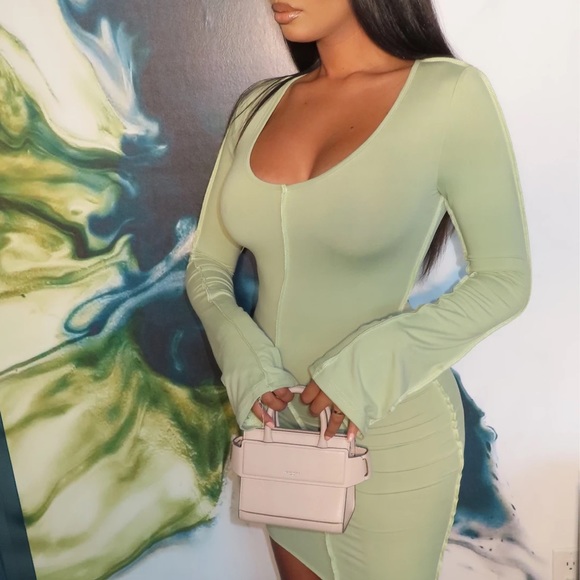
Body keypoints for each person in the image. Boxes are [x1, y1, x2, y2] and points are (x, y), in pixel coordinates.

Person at [186, 0, 531, 578]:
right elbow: (206, 267)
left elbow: (506, 280)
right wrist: (246, 362)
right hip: (277, 433)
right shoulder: (258, 107)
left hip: (389, 435)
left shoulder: (448, 93)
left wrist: (363, 372)